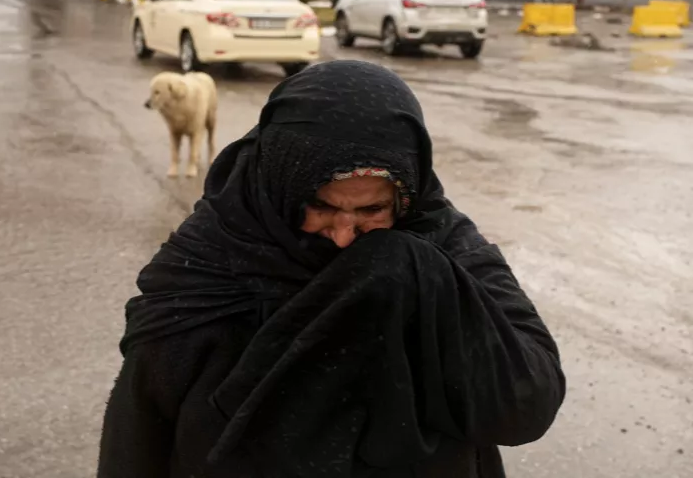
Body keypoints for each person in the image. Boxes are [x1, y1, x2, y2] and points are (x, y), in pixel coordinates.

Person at [98, 60, 565, 477]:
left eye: (372, 212)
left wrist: (415, 271)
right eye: (320, 206)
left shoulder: (440, 241)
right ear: (279, 183)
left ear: (407, 194)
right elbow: (136, 442)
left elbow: (528, 402)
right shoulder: (211, 262)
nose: (344, 235)